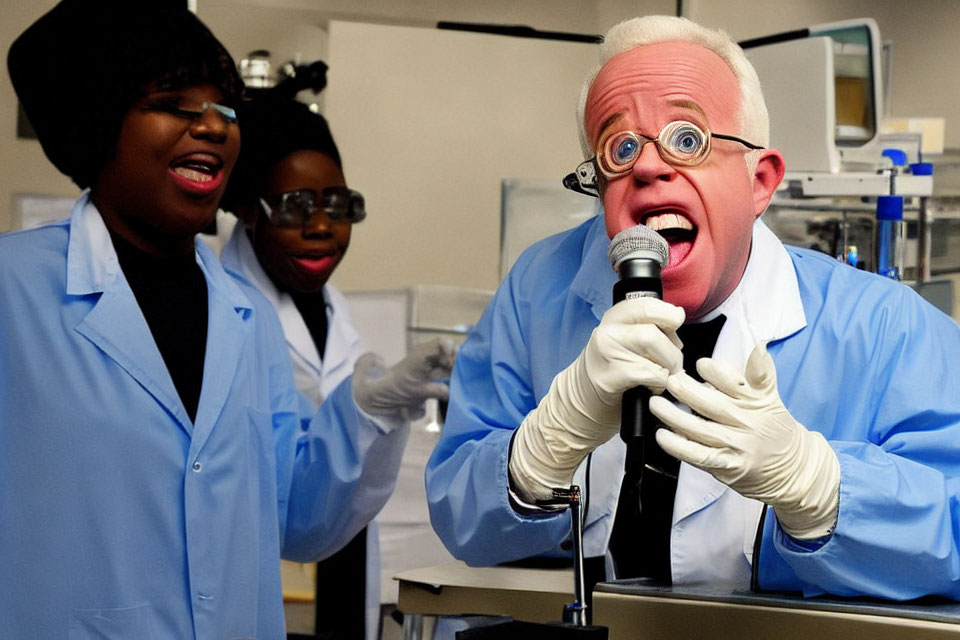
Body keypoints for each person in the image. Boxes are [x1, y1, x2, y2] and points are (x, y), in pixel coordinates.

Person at [426, 14, 960, 600]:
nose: (649, 167)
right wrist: (537, 454)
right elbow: (460, 517)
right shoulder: (538, 290)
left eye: (688, 138)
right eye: (619, 147)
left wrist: (820, 486)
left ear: (760, 181)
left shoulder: (885, 328)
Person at [1, 2, 426, 637]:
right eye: (175, 103)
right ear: (100, 128)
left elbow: (294, 520)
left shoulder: (244, 314)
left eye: (225, 110)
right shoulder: (13, 291)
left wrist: (369, 414)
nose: (213, 127)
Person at [218, 90, 455, 640]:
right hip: (267, 587)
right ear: (250, 210)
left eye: (340, 205)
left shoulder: (336, 310)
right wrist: (363, 410)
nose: (324, 226)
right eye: (298, 205)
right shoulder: (223, 313)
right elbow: (284, 489)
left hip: (345, 579)